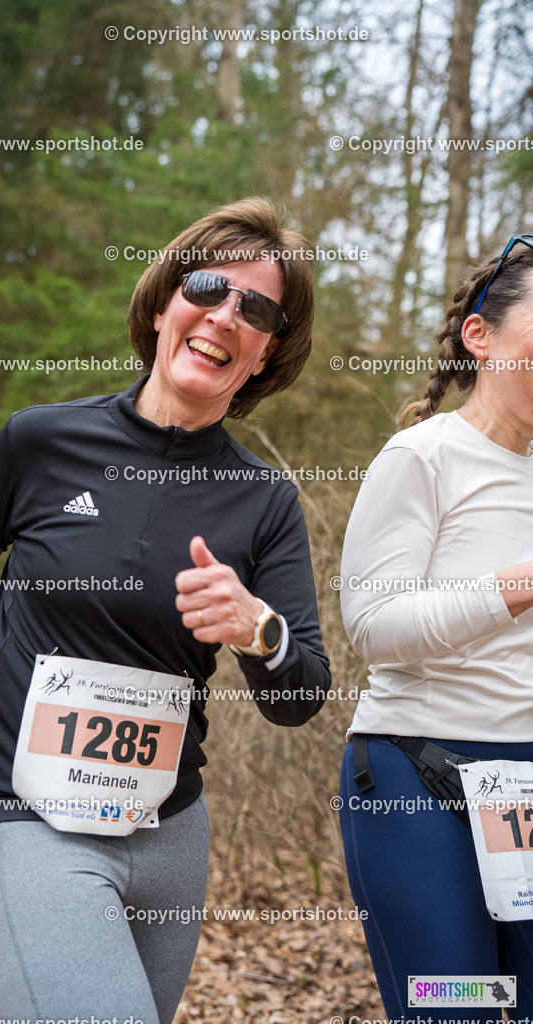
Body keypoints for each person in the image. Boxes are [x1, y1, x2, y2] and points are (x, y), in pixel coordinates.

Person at [0, 197, 331, 1024]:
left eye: (255, 308)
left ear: (265, 355)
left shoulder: (264, 501)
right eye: (207, 286)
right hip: (17, 803)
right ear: (160, 305)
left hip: (169, 829)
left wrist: (258, 628)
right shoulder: (42, 440)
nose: (225, 314)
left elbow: (301, 694)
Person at [338, 235, 533, 1023]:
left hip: (525, 789)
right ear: (478, 336)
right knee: (455, 1008)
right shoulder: (421, 456)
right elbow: (373, 626)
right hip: (418, 778)